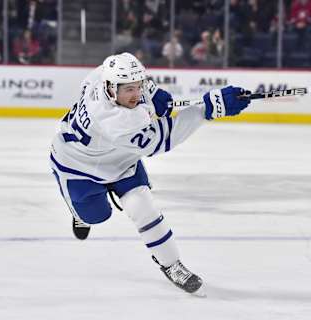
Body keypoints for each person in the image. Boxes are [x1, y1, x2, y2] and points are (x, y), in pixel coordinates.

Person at [49, 52, 251, 295]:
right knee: (96, 216)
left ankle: (171, 264)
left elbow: (134, 80)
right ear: (111, 90)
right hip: (77, 166)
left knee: (142, 208)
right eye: (129, 91)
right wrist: (206, 109)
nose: (136, 95)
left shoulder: (103, 74)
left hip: (121, 160)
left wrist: (152, 93)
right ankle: (78, 213)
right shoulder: (116, 121)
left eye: (138, 87)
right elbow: (166, 137)